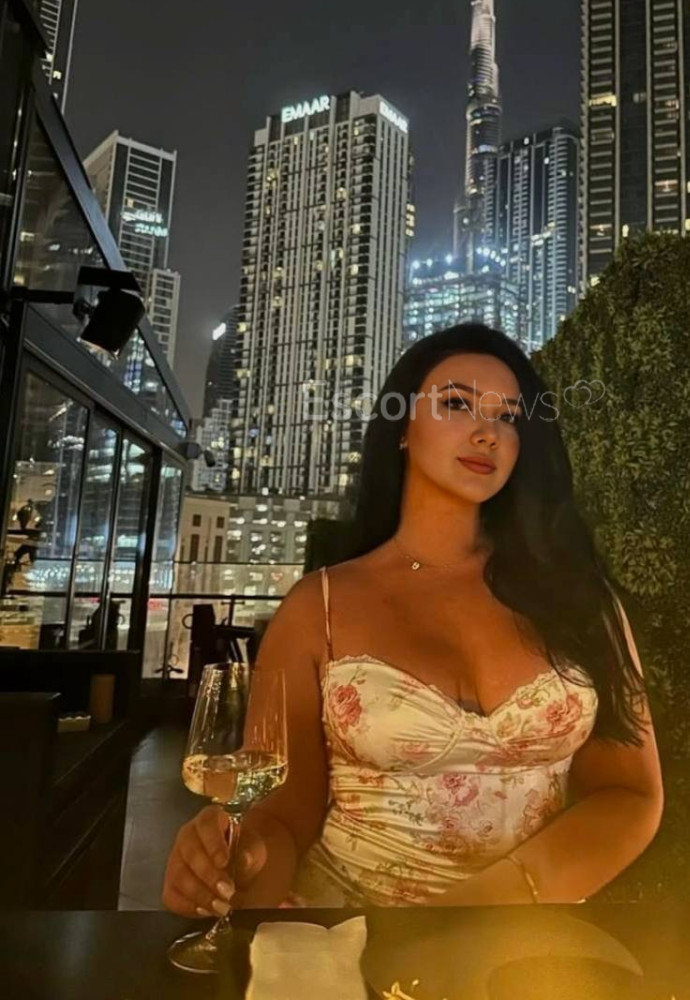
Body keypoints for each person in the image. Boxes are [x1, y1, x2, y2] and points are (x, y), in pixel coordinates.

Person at [162, 323, 663, 914]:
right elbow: (283, 817)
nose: (487, 432)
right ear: (402, 427)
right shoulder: (319, 607)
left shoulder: (578, 597)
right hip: (350, 939)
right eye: (457, 404)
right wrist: (235, 866)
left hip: (526, 947)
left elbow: (629, 793)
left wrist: (496, 902)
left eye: (508, 417)